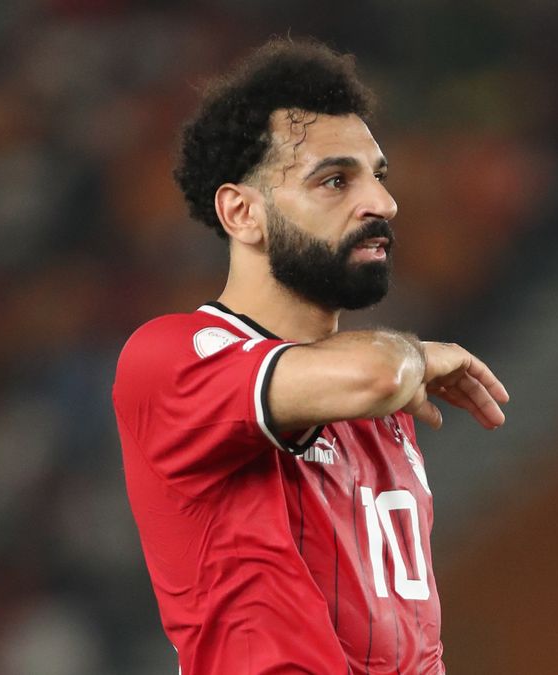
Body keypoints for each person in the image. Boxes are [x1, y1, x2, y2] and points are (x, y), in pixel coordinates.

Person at [112, 38, 509, 674]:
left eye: (378, 175)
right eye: (334, 180)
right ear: (243, 212)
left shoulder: (382, 406)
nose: (382, 203)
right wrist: (409, 358)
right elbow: (377, 369)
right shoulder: (167, 359)